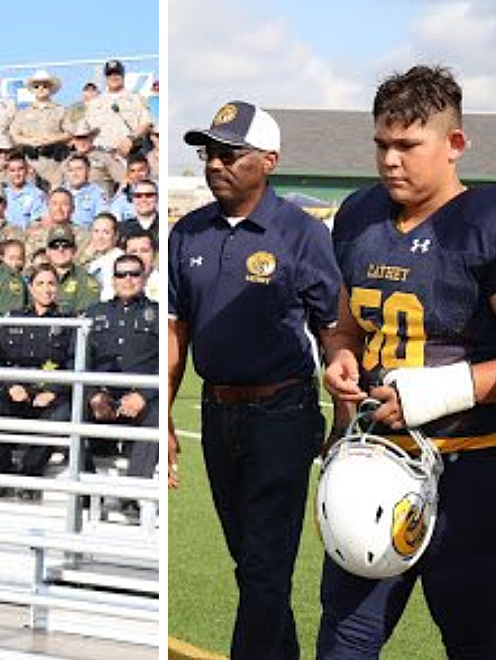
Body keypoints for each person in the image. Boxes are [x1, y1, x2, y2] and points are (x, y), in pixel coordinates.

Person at [317, 65, 496, 660]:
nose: (390, 160)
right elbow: (346, 327)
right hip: (377, 459)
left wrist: (433, 395)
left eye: (407, 145)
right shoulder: (358, 216)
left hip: (474, 468)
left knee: (473, 638)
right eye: (382, 144)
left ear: (455, 144)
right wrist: (340, 360)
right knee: (346, 638)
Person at [168, 101, 342, 660]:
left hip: (282, 415)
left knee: (266, 570)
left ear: (268, 160)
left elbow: (335, 330)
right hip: (216, 415)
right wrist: (163, 416)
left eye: (229, 153)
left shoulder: (301, 234)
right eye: (208, 152)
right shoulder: (187, 232)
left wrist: (341, 418)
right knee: (251, 564)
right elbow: (179, 333)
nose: (215, 163)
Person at [0, 264, 73, 501]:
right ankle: (1, 477)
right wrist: (11, 385)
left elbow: (74, 364)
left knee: (62, 413)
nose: (47, 289)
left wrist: (53, 391)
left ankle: (29, 476)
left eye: (51, 283)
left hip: (49, 395)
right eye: (40, 284)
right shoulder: (13, 319)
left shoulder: (68, 322)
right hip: (15, 392)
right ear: (30, 288)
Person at [85, 254, 159, 492]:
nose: (127, 279)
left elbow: (165, 362)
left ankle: (133, 495)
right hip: (102, 401)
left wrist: (143, 395)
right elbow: (77, 359)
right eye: (121, 274)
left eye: (134, 274)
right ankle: (87, 495)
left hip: (140, 401)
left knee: (157, 416)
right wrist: (93, 395)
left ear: (144, 277)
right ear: (113, 280)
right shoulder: (94, 313)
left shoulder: (158, 314)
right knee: (69, 411)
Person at [10, 69, 70, 192]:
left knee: (55, 199)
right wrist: (29, 141)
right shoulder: (23, 112)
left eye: (45, 85)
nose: (41, 88)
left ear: (51, 88)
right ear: (32, 89)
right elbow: (14, 134)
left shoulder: (61, 110)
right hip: (31, 163)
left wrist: (51, 139)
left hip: (54, 163)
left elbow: (70, 133)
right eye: (37, 86)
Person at [84, 60, 154, 161]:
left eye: (117, 73)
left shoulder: (136, 98)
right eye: (110, 74)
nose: (114, 77)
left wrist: (130, 139)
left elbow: (146, 123)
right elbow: (87, 129)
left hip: (129, 154)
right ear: (106, 78)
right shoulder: (94, 102)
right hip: (101, 155)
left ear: (123, 76)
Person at [1, 151, 47, 230]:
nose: (17, 174)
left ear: (26, 170)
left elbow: (37, 224)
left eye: (20, 169)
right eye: (12, 170)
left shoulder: (37, 194)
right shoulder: (1, 193)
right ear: (7, 172)